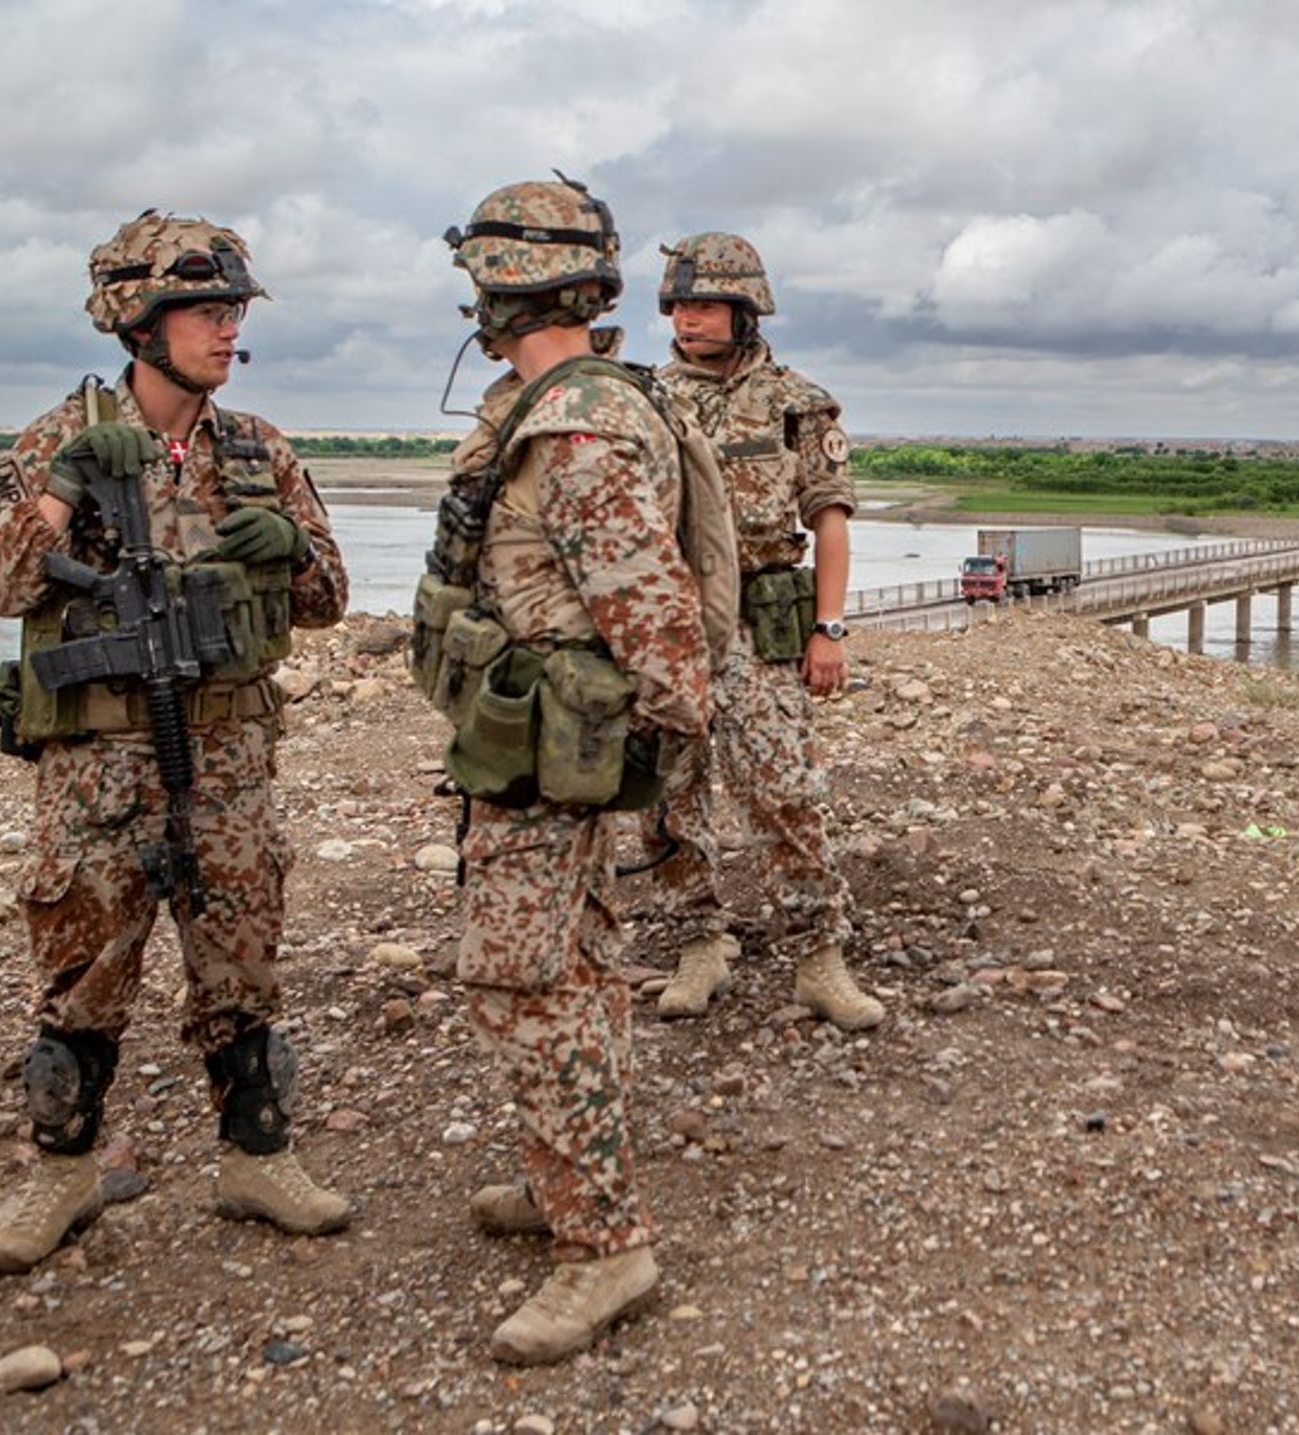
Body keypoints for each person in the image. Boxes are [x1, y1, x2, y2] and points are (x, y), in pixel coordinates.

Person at [0, 211, 352, 1274]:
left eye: (234, 311)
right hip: (95, 766)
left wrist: (289, 548)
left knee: (241, 963)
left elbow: (328, 597)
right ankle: (62, 1171)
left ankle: (256, 1157)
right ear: (137, 320)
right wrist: (61, 490)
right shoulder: (59, 441)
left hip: (226, 760)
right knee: (81, 969)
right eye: (206, 312)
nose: (229, 332)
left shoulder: (256, 447)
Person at [423, 176, 713, 1365]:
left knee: (521, 981)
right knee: (578, 967)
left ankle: (604, 1244)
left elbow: (658, 618)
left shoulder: (576, 426)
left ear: (502, 285)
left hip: (560, 751)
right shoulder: (554, 402)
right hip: (546, 745)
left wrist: (654, 746)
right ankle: (571, 1186)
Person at [645, 232, 884, 1032]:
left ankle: (819, 955)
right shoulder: (642, 398)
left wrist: (830, 630)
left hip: (758, 622)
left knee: (784, 790)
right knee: (671, 794)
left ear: (745, 311)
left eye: (705, 304)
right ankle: (697, 941)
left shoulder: (796, 401)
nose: (687, 318)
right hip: (668, 624)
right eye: (678, 304)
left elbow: (831, 522)